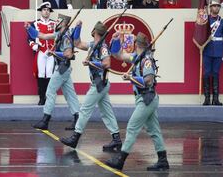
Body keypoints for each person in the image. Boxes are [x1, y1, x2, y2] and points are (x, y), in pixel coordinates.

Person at [105, 32, 169, 171]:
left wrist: (131, 78)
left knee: (132, 127)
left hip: (147, 98)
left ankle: (120, 160)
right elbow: (117, 55)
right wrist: (115, 41)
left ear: (136, 45)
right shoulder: (136, 57)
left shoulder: (146, 60)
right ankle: (163, 160)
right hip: (144, 98)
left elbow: (149, 80)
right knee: (154, 130)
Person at [60, 20, 121, 152]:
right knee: (106, 112)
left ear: (94, 31)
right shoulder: (93, 45)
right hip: (100, 84)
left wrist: (91, 64)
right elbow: (77, 43)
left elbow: (107, 63)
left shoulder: (103, 47)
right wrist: (78, 28)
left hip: (99, 83)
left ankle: (75, 137)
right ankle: (116, 139)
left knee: (85, 109)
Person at [25, 14, 80, 131]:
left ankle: (45, 120)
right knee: (70, 95)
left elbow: (69, 55)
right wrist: (29, 28)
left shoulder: (65, 37)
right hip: (64, 68)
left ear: (63, 24)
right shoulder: (59, 35)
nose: (57, 22)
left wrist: (54, 53)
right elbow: (43, 36)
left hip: (62, 68)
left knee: (50, 92)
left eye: (59, 21)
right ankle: (77, 119)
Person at [28, 2, 57, 105]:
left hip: (51, 53)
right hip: (41, 51)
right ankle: (41, 97)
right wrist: (34, 46)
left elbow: (58, 37)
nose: (46, 12)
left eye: (48, 10)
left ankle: (48, 97)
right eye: (44, 10)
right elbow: (30, 38)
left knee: (49, 74)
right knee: (41, 74)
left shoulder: (54, 23)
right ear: (41, 11)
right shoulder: (34, 24)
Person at [202, 0, 223, 106]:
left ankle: (216, 99)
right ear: (210, 8)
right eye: (214, 6)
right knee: (207, 73)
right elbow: (201, 33)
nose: (216, 7)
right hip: (207, 49)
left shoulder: (222, 21)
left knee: (216, 73)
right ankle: (207, 98)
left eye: (218, 6)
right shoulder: (205, 19)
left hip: (218, 50)